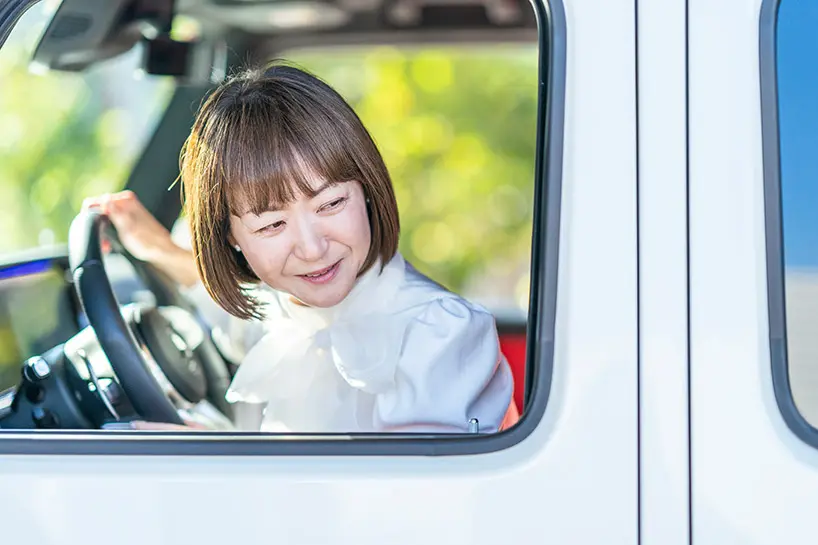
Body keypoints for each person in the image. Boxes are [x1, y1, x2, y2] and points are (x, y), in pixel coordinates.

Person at [85, 62, 519, 433]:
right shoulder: (288, 312)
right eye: (272, 225)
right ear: (230, 237)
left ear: (367, 190)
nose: (312, 249)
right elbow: (242, 312)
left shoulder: (438, 334)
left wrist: (213, 460)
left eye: (331, 204)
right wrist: (159, 250)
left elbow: (400, 497)